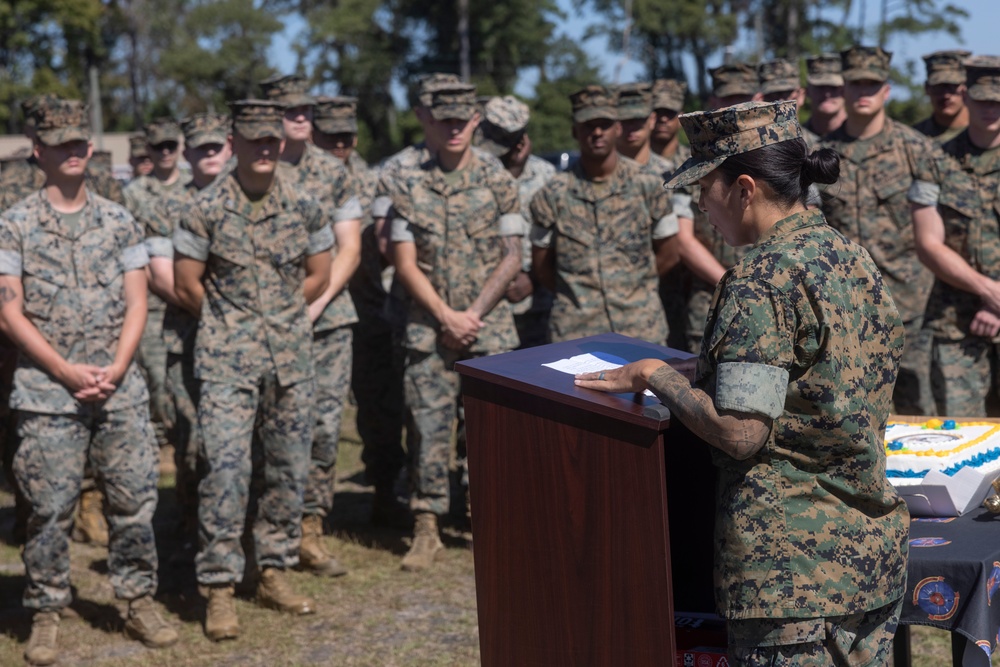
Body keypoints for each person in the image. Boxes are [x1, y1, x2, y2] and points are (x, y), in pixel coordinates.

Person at [576, 100, 909, 665]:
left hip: (791, 577)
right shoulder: (852, 257)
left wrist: (654, 375)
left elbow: (739, 434)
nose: (701, 207)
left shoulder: (760, 279)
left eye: (704, 188)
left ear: (745, 188)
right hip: (870, 559)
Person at [0, 98, 177, 665]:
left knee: (132, 500)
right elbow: (8, 311)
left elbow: (137, 298)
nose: (74, 151)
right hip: (48, 390)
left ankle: (136, 599)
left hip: (118, 385)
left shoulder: (120, 218)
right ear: (38, 152)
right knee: (49, 506)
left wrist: (119, 368)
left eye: (81, 142)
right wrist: (64, 370)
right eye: (61, 144)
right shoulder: (14, 223)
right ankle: (47, 610)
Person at [173, 99, 332, 640]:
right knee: (226, 470)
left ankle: (274, 571)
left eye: (272, 140)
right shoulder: (204, 208)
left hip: (291, 360)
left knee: (288, 469)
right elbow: (187, 283)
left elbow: (319, 274)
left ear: (281, 144)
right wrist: (233, 323)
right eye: (253, 140)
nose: (264, 148)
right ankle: (219, 587)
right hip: (225, 362)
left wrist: (280, 318)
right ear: (234, 143)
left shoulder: (306, 204)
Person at [386, 82, 523, 572]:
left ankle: (483, 519)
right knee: (426, 427)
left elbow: (512, 257)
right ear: (431, 121)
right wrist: (446, 316)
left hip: (488, 329)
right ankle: (426, 526)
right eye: (444, 120)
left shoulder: (498, 179)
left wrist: (472, 316)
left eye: (462, 120)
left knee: (486, 432)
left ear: (475, 121)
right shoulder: (407, 183)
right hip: (429, 328)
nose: (454, 129)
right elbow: (404, 262)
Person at [259, 74, 362, 578]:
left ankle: (310, 529)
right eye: (289, 110)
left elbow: (351, 247)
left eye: (306, 110)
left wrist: (315, 303)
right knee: (267, 428)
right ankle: (262, 531)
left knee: (323, 428)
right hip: (260, 326)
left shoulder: (333, 171)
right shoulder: (253, 170)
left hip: (327, 320)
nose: (301, 117)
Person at [819, 45, 948, 416]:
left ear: (886, 91)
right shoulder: (822, 156)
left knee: (916, 411)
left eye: (871, 85)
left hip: (909, 305)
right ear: (843, 88)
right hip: (845, 308)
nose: (863, 93)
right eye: (855, 84)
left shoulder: (916, 149)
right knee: (852, 415)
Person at [142, 112, 232, 548]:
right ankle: (191, 526)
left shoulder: (250, 196)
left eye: (217, 146)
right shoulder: (168, 205)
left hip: (252, 344)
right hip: (190, 337)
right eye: (200, 148)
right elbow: (163, 278)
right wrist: (227, 315)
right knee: (192, 437)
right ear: (187, 152)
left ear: (230, 147)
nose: (210, 155)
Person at [530, 85, 677, 345]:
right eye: (588, 125)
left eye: (605, 124)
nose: (597, 133)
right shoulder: (552, 194)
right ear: (575, 131)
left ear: (617, 129)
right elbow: (542, 266)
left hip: (640, 327)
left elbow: (669, 252)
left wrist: (634, 286)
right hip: (576, 331)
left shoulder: (649, 185)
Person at [916, 56, 1000, 416]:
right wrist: (990, 292)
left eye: (998, 100)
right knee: (964, 448)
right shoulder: (934, 161)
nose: (991, 108)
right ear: (966, 96)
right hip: (956, 327)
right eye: (983, 99)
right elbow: (928, 243)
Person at [124, 118, 188, 476]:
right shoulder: (134, 194)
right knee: (158, 379)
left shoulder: (197, 189)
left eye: (171, 146)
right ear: (147, 150)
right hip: (152, 304)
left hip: (193, 303)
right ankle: (166, 445)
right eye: (158, 147)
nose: (165, 153)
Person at [476, 94, 556, 349]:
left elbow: (557, 242)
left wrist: (533, 279)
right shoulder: (476, 172)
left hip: (536, 303)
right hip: (483, 305)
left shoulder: (546, 175)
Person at [913, 50, 972, 145]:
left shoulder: (986, 134)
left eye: (952, 87)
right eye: (938, 87)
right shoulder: (913, 138)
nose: (946, 95)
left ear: (966, 88)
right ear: (927, 89)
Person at [802, 53, 847, 147]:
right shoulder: (794, 142)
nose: (827, 94)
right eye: (820, 87)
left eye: (833, 87)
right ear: (807, 91)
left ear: (845, 90)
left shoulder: (860, 135)